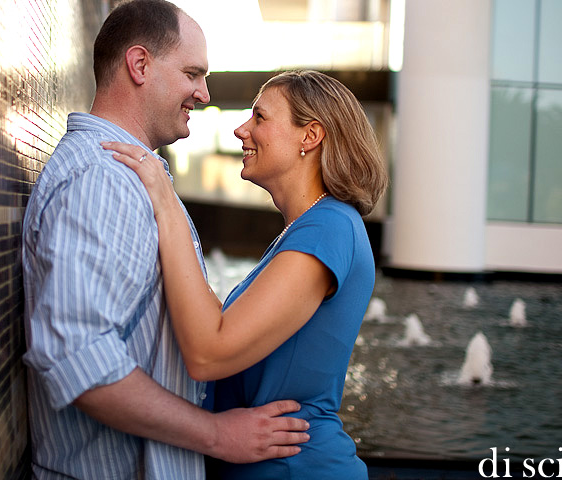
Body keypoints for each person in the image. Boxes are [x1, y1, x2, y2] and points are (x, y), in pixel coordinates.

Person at [21, 0, 311, 480]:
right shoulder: (104, 181)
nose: (203, 94)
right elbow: (75, 355)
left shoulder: (127, 173)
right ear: (139, 65)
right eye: (193, 73)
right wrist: (218, 434)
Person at [105, 69, 388, 479]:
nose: (241, 130)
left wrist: (166, 205)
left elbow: (208, 352)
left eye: (259, 118)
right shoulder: (306, 229)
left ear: (310, 136)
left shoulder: (331, 228)